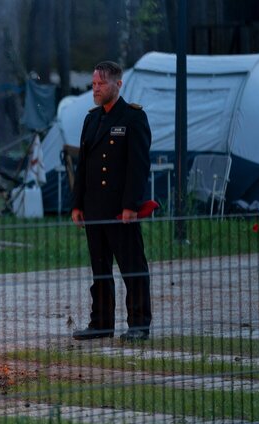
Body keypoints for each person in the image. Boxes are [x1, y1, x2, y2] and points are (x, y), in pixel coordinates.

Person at [70, 61, 152, 342]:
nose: (96, 88)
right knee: (100, 270)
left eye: (101, 84)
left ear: (118, 85)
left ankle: (139, 324)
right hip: (94, 208)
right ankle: (101, 323)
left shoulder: (133, 118)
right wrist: (77, 204)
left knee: (132, 267)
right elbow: (83, 165)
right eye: (93, 84)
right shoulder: (92, 119)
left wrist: (131, 204)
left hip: (120, 209)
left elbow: (138, 166)